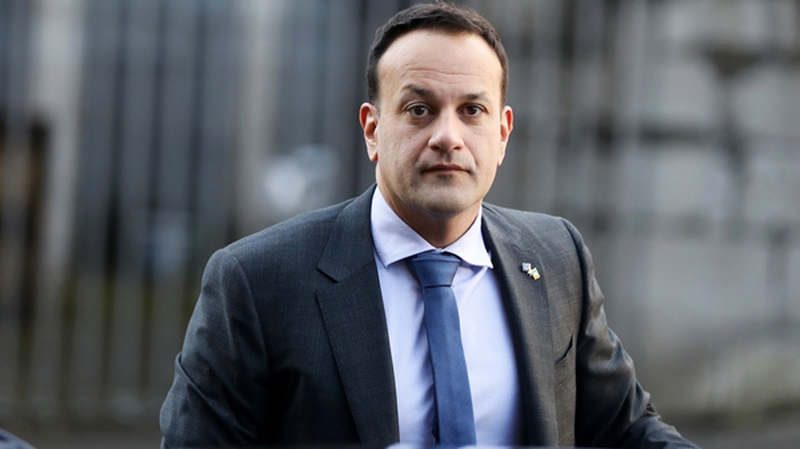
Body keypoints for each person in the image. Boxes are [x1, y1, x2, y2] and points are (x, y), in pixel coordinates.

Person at [160, 2, 699, 448]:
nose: (448, 136)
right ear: (372, 129)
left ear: (503, 133)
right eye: (419, 109)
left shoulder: (556, 255)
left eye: (472, 110)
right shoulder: (257, 281)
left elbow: (626, 430)